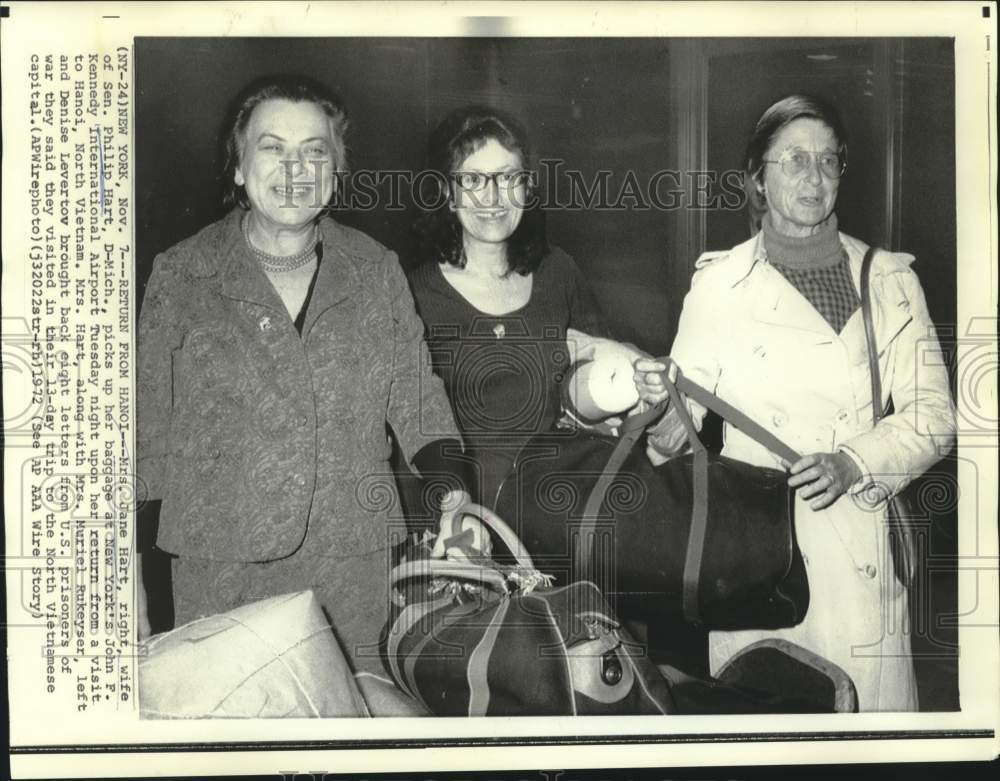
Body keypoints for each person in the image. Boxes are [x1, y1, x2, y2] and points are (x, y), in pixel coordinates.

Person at [136, 75, 477, 675]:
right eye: (272, 148)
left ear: (335, 170)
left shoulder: (375, 269)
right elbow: (146, 433)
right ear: (239, 169)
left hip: (350, 569)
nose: (295, 167)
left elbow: (417, 395)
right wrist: (126, 571)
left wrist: (454, 500)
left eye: (314, 150)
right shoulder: (183, 274)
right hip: (220, 570)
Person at [634, 94, 956, 711]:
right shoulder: (720, 284)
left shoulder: (888, 280)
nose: (814, 177)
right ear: (758, 176)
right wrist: (659, 405)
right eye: (795, 160)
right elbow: (679, 432)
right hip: (760, 560)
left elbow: (936, 417)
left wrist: (853, 462)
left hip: (859, 535)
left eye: (829, 162)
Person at [408, 106, 623, 508]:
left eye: (508, 177)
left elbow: (605, 379)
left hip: (560, 513)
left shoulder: (558, 271)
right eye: (473, 179)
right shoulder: (412, 294)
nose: (493, 197)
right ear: (446, 193)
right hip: (464, 525)